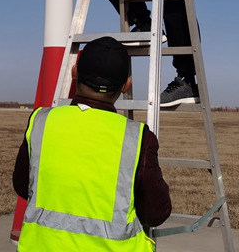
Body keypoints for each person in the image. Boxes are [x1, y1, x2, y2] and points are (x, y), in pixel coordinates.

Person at [12, 36, 171, 251]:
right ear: (126, 85)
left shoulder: (40, 121)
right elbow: (156, 213)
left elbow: (22, 186)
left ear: (74, 72)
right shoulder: (138, 137)